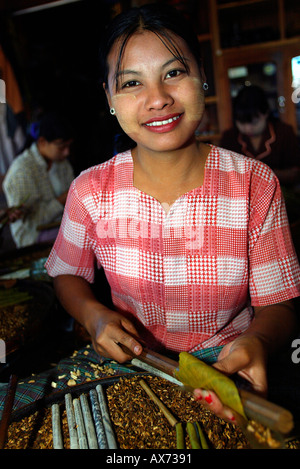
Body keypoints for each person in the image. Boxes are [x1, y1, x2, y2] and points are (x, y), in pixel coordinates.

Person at [45, 4, 300, 423]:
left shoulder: (254, 183)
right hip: (133, 363)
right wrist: (94, 316)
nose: (158, 99)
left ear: (200, 75)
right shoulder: (90, 190)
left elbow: (280, 306)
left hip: (224, 365)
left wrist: (255, 342)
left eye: (173, 73)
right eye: (131, 83)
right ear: (109, 97)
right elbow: (66, 272)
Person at [3, 111, 75, 248]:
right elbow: (32, 223)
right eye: (61, 147)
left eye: (68, 146)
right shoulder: (22, 171)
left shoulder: (61, 161)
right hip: (33, 236)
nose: (67, 152)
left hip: (61, 225)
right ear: (42, 142)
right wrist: (62, 199)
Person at [219, 85, 300, 189]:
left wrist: (261, 174)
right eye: (242, 123)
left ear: (265, 113)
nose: (248, 129)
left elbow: (295, 173)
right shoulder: (230, 137)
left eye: (254, 122)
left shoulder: (283, 132)